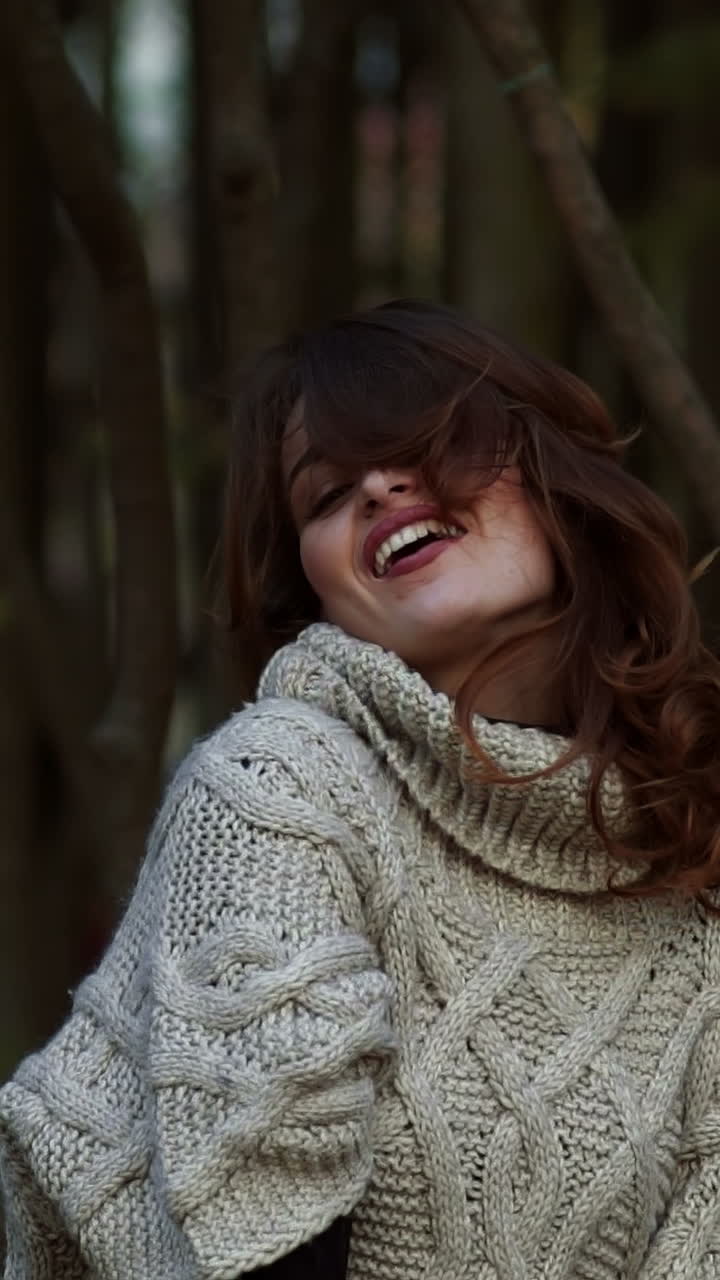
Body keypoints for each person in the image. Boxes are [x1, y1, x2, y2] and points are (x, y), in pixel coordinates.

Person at [2, 298, 720, 1280]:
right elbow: (262, 1244)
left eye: (429, 442)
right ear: (322, 591)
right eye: (328, 493)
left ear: (557, 478)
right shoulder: (283, 787)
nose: (379, 487)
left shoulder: (689, 880)